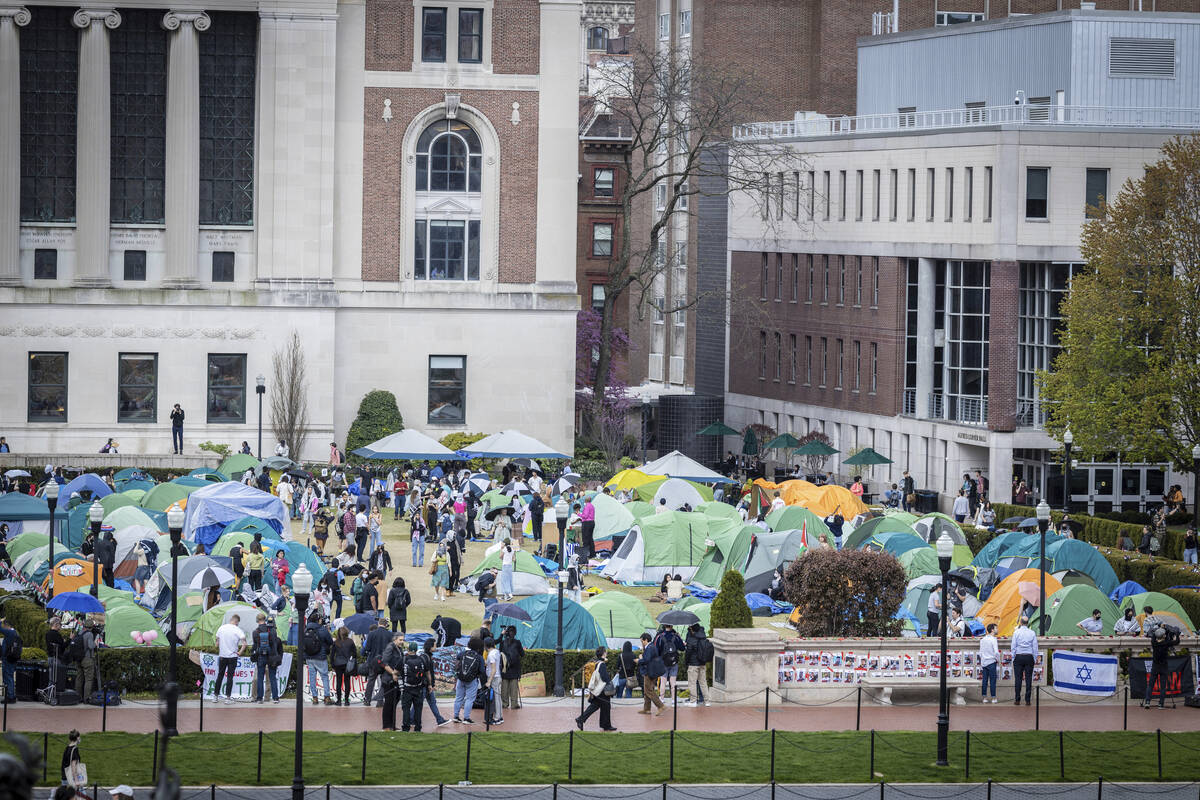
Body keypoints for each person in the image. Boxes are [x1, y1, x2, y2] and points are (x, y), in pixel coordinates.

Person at [575, 646, 617, 731]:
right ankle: (606, 725)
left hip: (599, 690)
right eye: (605, 652)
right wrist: (610, 682)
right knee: (605, 707)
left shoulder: (597, 663)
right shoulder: (602, 664)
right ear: (603, 653)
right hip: (602, 690)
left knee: (595, 706)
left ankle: (581, 719)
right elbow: (604, 677)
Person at [1144, 624, 1179, 709]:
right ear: (1163, 636)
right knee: (1163, 687)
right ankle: (1161, 704)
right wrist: (1176, 634)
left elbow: (1152, 633)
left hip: (1155, 666)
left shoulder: (1154, 642)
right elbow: (1177, 642)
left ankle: (1147, 702)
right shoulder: (1166, 643)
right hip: (1163, 666)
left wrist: (1159, 628)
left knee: (1150, 685)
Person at [251, 612, 282, 704]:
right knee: (272, 677)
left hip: (261, 656)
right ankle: (275, 698)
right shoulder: (272, 630)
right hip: (271, 656)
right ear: (265, 619)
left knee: (260, 677)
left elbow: (255, 646)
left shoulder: (255, 632)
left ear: (257, 621)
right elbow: (275, 643)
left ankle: (259, 698)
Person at [215, 614, 246, 703]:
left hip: (222, 656)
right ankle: (227, 698)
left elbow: (217, 642)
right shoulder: (238, 630)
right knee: (229, 677)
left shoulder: (221, 628)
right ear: (236, 622)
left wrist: (220, 646)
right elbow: (244, 644)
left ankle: (215, 696)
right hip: (232, 657)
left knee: (220, 676)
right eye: (237, 623)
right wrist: (240, 652)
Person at [452, 638, 484, 723]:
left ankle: (456, 716)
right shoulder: (479, 657)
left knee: (458, 698)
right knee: (470, 699)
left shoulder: (463, 653)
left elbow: (457, 661)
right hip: (472, 680)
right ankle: (466, 718)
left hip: (461, 679)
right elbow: (482, 671)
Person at [419, 639, 449, 726]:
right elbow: (428, 673)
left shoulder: (424, 656)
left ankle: (439, 719)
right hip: (426, 685)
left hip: (425, 684)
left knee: (426, 702)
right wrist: (430, 685)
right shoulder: (427, 658)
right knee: (424, 702)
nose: (436, 647)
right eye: (435, 645)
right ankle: (439, 720)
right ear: (430, 647)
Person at [305, 615, 334, 705]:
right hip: (320, 656)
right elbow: (330, 641)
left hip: (309, 656)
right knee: (324, 677)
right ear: (318, 620)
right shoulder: (322, 629)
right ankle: (327, 697)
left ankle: (315, 697)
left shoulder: (306, 629)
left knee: (312, 678)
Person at [379, 632, 405, 730]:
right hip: (388, 680)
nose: (402, 642)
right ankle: (386, 726)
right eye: (400, 640)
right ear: (395, 639)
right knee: (389, 703)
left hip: (396, 679)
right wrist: (393, 673)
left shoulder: (399, 649)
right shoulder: (390, 647)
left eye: (403, 640)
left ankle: (392, 725)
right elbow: (384, 663)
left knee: (394, 702)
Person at [361, 621, 391, 707]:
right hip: (385, 661)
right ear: (386, 625)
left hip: (373, 661)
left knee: (371, 680)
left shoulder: (372, 634)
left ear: (379, 624)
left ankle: (367, 699)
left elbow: (367, 648)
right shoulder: (389, 634)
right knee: (384, 681)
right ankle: (380, 700)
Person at [1010, 616, 1038, 706]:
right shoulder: (1032, 633)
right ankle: (1028, 700)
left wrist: (1014, 657)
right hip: (1029, 656)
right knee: (1028, 679)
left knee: (1018, 679)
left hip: (1019, 656)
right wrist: (1034, 657)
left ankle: (1017, 699)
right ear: (1028, 623)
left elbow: (1013, 646)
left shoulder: (1016, 632)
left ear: (1021, 623)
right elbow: (1035, 647)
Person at [683, 622, 712, 706]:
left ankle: (693, 701)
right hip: (702, 663)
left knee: (692, 683)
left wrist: (686, 662)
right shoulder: (703, 637)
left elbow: (688, 652)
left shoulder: (692, 639)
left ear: (692, 629)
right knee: (703, 682)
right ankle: (707, 701)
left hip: (693, 664)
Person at [637, 632, 666, 716]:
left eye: (642, 641)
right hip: (652, 671)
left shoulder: (649, 648)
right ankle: (647, 709)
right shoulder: (651, 646)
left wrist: (639, 660)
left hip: (649, 672)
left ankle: (660, 706)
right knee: (647, 690)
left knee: (648, 690)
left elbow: (647, 660)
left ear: (646, 640)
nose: (641, 643)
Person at [499, 625, 524, 711]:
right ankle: (514, 704)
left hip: (505, 668)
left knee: (504, 687)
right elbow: (522, 654)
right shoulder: (518, 642)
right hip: (515, 667)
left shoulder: (502, 642)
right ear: (515, 633)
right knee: (514, 687)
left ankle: (504, 703)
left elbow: (500, 654)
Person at [330, 626, 357, 706]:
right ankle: (346, 700)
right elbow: (355, 654)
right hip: (347, 664)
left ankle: (338, 701)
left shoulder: (336, 642)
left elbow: (332, 655)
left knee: (338, 682)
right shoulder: (350, 641)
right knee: (347, 682)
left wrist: (332, 665)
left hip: (338, 664)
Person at [483, 636, 503, 725]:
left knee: (496, 698)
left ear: (486, 645)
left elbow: (493, 669)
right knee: (498, 698)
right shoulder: (496, 651)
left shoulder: (491, 654)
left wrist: (489, 681)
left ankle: (497, 717)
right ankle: (500, 716)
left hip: (494, 678)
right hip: (497, 677)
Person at [977, 623, 1000, 703]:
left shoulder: (982, 639)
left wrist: (983, 660)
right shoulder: (994, 639)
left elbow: (980, 652)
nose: (997, 630)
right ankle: (993, 698)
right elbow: (996, 652)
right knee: (993, 680)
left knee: (984, 680)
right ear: (992, 630)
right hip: (991, 662)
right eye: (996, 628)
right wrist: (998, 659)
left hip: (984, 662)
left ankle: (984, 697)